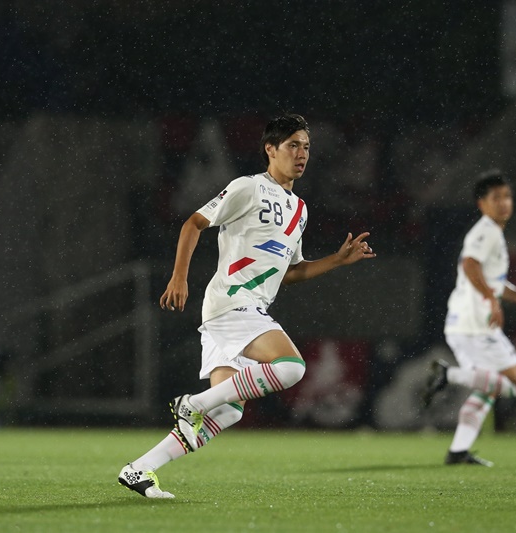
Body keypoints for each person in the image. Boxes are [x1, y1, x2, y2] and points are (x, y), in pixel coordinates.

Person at [118, 113, 376, 498]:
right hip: (233, 302)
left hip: (242, 309)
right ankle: (192, 403)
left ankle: (140, 469)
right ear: (270, 149)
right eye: (293, 145)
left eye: (306, 147)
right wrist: (179, 277)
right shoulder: (249, 187)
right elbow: (193, 223)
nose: (302, 153)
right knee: (291, 367)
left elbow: (291, 272)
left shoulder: (299, 210)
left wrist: (336, 261)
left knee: (228, 410)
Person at [422, 170, 516, 466]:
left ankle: (458, 451)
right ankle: (448, 375)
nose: (504, 202)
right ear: (481, 204)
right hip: (474, 324)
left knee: (488, 388)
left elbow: (493, 282)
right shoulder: (486, 231)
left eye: (507, 196)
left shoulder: (493, 233)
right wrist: (490, 301)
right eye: (496, 198)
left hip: (470, 323)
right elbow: (470, 265)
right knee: (515, 384)